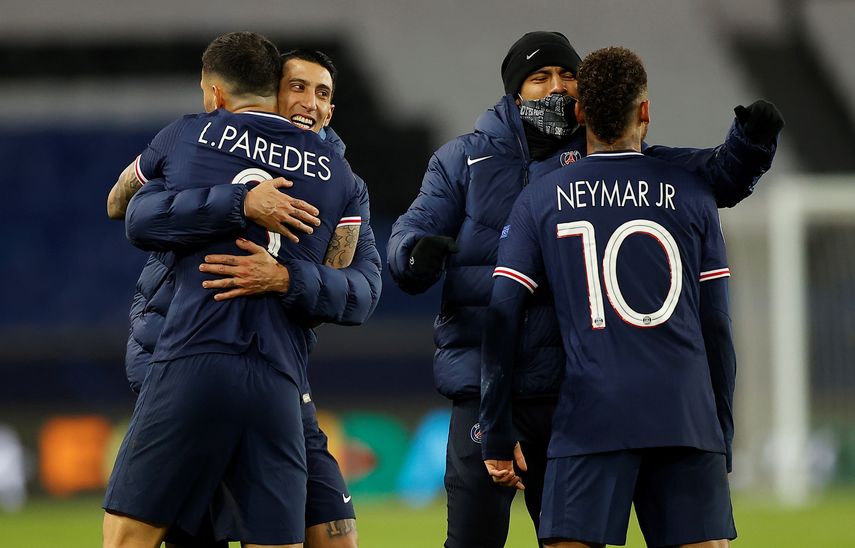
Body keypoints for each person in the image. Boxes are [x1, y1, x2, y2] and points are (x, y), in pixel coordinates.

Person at [387, 31, 782, 547]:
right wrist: (413, 255)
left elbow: (709, 175)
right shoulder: (463, 160)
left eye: (567, 75)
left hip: (568, 393)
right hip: (483, 385)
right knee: (471, 540)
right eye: (540, 77)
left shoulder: (603, 154)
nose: (557, 87)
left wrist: (747, 145)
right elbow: (407, 235)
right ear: (514, 92)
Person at [102, 32, 364, 548]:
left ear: (215, 93)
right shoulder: (341, 178)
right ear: (275, 89)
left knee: (130, 536)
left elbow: (125, 209)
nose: (311, 103)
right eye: (300, 87)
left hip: (190, 357)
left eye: (324, 93)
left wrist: (278, 265)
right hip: (278, 376)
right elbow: (345, 267)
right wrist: (280, 254)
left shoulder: (189, 135)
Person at [481, 45, 739, 548]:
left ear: (579, 112)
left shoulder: (540, 198)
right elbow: (718, 327)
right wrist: (720, 429)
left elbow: (502, 316)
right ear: (645, 112)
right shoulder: (692, 194)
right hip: (685, 417)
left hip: (590, 416)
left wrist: (495, 426)